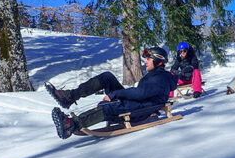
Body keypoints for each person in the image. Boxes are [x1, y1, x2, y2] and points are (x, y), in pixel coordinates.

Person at [45, 47, 178, 139]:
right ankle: (69, 97)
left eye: (148, 59)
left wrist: (114, 95)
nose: (145, 61)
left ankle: (71, 124)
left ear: (158, 61)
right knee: (107, 77)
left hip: (141, 110)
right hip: (138, 103)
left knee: (108, 107)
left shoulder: (160, 77)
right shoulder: (156, 75)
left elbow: (140, 93)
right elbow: (140, 93)